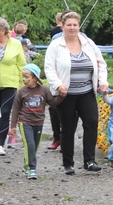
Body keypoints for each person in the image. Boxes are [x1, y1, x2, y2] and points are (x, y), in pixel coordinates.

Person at [44, 10, 108, 174]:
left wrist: (103, 82)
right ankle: (68, 163)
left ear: (79, 26)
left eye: (75, 25)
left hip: (86, 92)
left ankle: (89, 160)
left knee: (92, 122)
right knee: (67, 129)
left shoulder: (88, 43)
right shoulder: (56, 45)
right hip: (66, 95)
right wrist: (58, 84)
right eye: (69, 25)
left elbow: (101, 64)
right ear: (63, 26)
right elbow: (49, 68)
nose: (72, 28)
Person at [0, 17, 26, 156]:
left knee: (5, 112)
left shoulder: (16, 44)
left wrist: (23, 82)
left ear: (3, 31)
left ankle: (1, 144)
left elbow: (21, 64)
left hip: (10, 83)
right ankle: (3, 132)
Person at [10, 63, 59, 179]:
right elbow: (16, 109)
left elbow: (53, 104)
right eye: (23, 76)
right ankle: (32, 168)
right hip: (24, 122)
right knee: (30, 144)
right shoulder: (21, 92)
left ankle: (27, 163)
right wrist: (13, 126)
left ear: (35, 78)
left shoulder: (44, 90)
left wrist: (62, 96)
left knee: (34, 146)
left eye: (27, 77)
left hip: (39, 122)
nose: (24, 79)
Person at [46, 12, 64, 150]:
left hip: (75, 84)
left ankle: (66, 139)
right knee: (54, 108)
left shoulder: (83, 38)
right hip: (57, 79)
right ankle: (57, 137)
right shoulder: (56, 38)